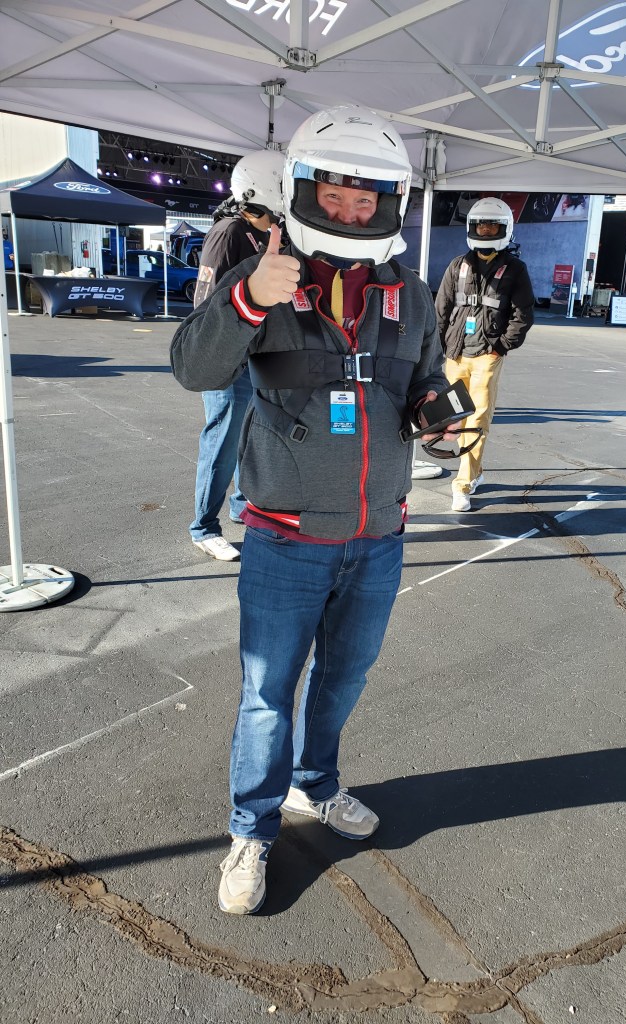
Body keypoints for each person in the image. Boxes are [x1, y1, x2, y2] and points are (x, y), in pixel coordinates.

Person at [171, 104, 453, 914]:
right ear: (304, 191)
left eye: (366, 201)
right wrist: (249, 299)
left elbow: (424, 376)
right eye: (336, 195)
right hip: (285, 540)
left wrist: (436, 412)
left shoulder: (410, 291)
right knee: (268, 691)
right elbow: (193, 367)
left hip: (380, 534)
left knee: (345, 676)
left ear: (388, 206)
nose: (351, 211)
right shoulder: (261, 278)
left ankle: (316, 784)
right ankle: (250, 829)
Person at [189, 149, 284, 561]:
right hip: (229, 360)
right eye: (272, 213)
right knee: (224, 440)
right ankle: (203, 526)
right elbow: (207, 303)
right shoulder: (229, 232)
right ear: (252, 202)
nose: (277, 222)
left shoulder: (262, 233)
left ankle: (243, 506)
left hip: (256, 356)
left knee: (248, 437)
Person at [435, 197, 534, 512]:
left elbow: (523, 315)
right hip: (455, 355)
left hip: (486, 357)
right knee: (451, 418)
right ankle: (474, 471)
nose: (486, 231)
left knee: (475, 419)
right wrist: (435, 350)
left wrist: (500, 346)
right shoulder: (457, 266)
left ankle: (462, 483)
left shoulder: (515, 270)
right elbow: (441, 310)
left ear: (504, 229)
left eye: (492, 226)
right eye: (481, 225)